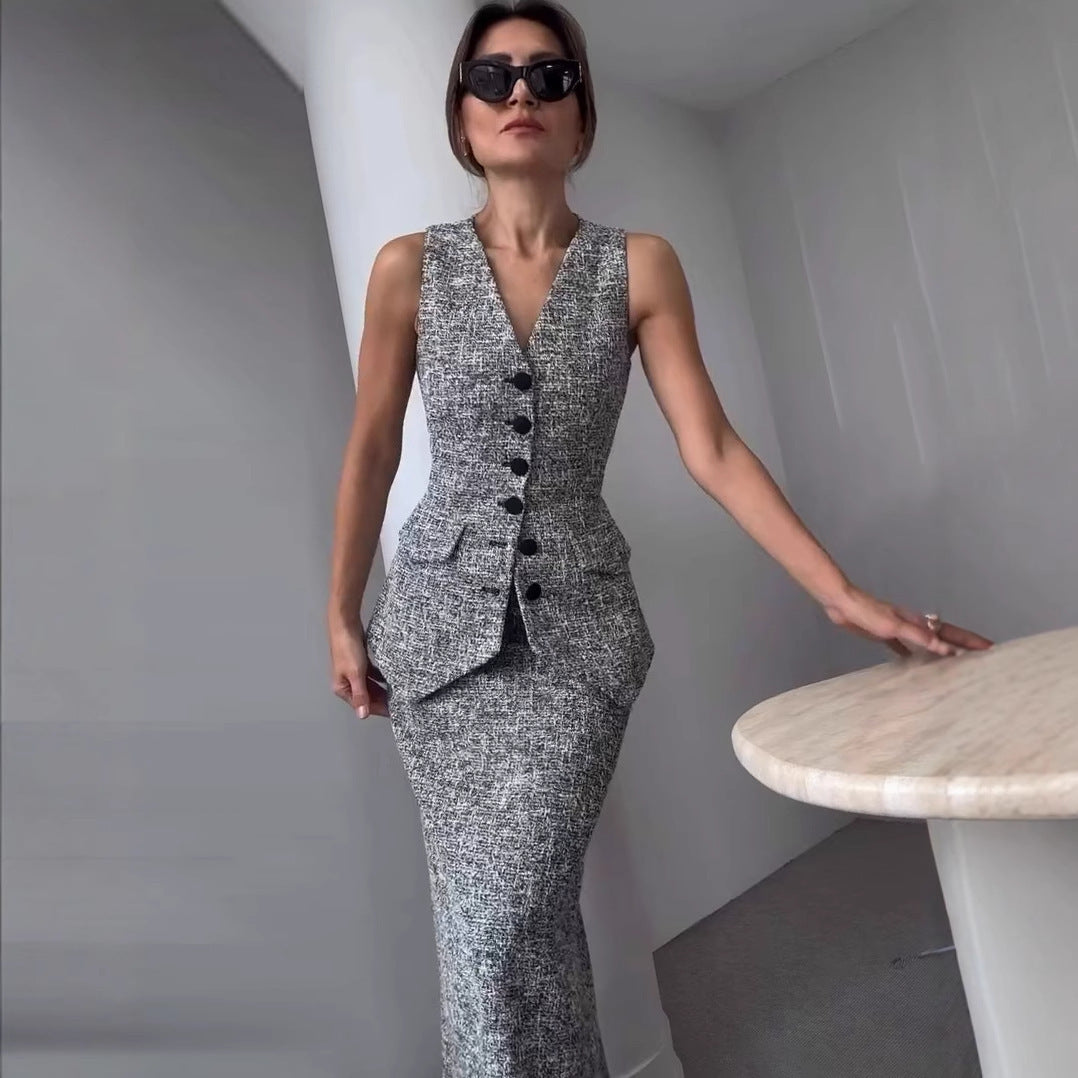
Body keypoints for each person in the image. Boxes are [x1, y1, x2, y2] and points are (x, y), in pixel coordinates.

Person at [325, 2, 995, 1073]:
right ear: (461, 117)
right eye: (492, 77)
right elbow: (369, 448)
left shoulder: (637, 265)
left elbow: (712, 447)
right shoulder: (409, 267)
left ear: (582, 117)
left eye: (549, 77)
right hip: (435, 644)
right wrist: (342, 612)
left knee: (504, 916)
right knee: (509, 926)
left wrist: (842, 595)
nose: (520, 95)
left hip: (579, 641)